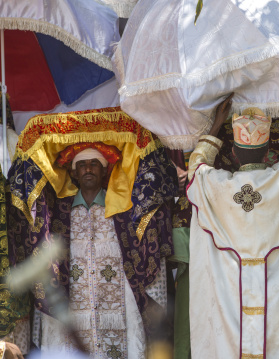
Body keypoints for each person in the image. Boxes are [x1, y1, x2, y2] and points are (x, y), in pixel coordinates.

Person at [6, 108, 177, 358]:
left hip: (117, 311)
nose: (88, 169)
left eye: (94, 164)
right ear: (73, 172)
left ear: (104, 170)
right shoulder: (58, 214)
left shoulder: (122, 211)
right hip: (71, 309)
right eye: (82, 165)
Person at [186, 96, 279, 358]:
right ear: (269, 150)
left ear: (233, 152)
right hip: (278, 297)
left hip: (232, 297)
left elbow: (196, 167)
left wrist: (216, 124)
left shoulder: (217, 187)